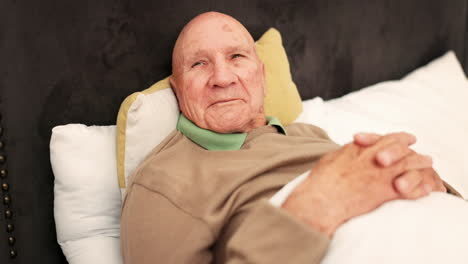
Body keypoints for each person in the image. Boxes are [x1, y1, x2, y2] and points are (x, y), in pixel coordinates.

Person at [120, 11, 459, 264]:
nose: (222, 77)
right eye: (198, 64)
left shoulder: (308, 132)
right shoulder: (161, 180)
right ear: (178, 91)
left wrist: (429, 185)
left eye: (237, 56)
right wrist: (312, 208)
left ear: (263, 77)